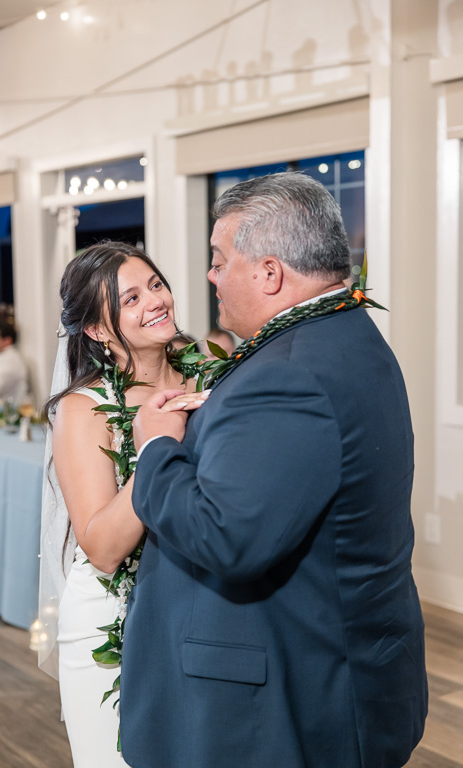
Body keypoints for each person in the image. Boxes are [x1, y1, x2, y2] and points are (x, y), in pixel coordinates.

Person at [122, 172, 428, 768]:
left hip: (286, 695)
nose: (210, 276)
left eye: (218, 259)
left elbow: (227, 536)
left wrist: (157, 447)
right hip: (348, 656)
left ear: (268, 273)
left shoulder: (289, 371)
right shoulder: (350, 334)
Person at [38, 242, 207, 768]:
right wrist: (155, 447)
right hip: (113, 616)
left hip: (196, 604)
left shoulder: (209, 377)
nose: (154, 302)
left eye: (155, 285)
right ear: (95, 330)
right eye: (130, 299)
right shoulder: (82, 410)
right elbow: (103, 547)